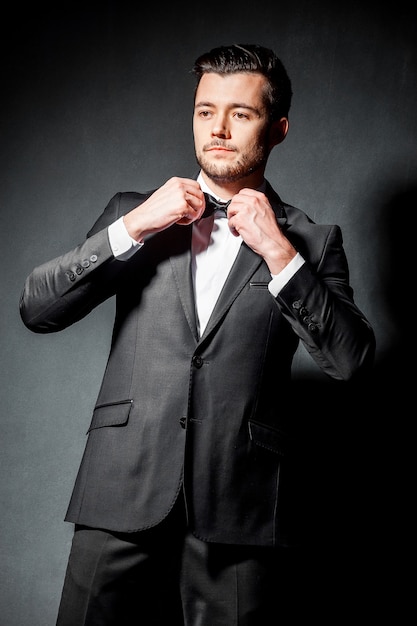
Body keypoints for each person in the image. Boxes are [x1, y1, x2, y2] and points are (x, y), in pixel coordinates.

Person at [20, 43, 375, 625]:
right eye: (205, 111)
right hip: (120, 493)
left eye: (241, 113)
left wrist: (279, 252)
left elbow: (351, 361)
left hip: (242, 508)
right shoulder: (135, 212)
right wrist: (133, 226)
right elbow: (38, 308)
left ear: (278, 128)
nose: (218, 128)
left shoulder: (311, 241)